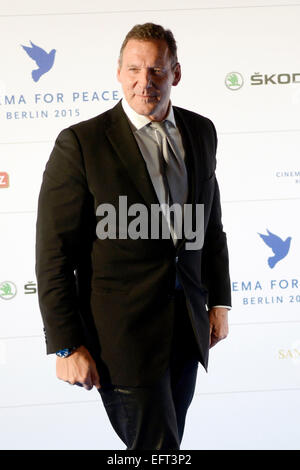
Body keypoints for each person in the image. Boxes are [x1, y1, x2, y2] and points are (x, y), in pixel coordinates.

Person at [35, 23, 231, 450]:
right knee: (156, 450)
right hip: (119, 337)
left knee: (167, 445)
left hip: (186, 328)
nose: (145, 82)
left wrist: (218, 301)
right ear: (119, 73)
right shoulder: (81, 144)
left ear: (175, 73)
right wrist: (66, 346)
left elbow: (209, 225)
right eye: (134, 69)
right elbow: (53, 253)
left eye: (157, 71)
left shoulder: (201, 132)